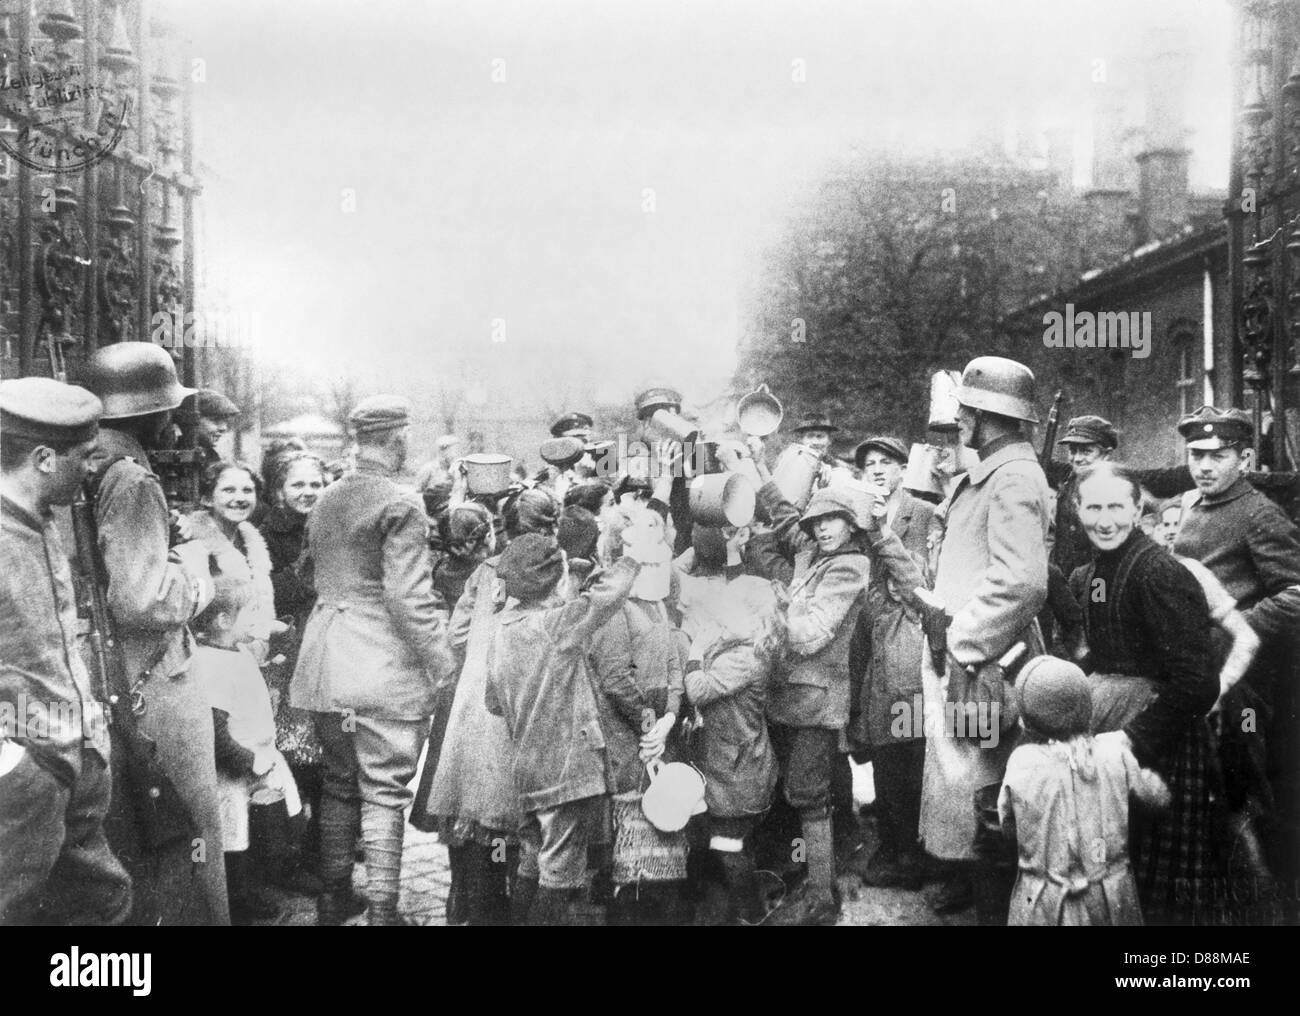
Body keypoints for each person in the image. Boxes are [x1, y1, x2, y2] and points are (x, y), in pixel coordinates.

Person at [289, 395, 455, 925]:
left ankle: (334, 898)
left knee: (340, 780)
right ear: (398, 439)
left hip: (324, 666)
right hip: (380, 665)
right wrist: (444, 664)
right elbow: (409, 600)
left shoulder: (326, 498)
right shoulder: (402, 503)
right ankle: (383, 912)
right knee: (384, 789)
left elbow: (307, 576)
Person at [81, 342, 228, 926]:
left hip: (105, 670)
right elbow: (139, 597)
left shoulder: (84, 462)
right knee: (185, 820)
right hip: (153, 674)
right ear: (152, 413)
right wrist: (197, 578)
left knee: (126, 832)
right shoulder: (131, 477)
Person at [918, 355, 1050, 927]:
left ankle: (998, 914)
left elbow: (1022, 581)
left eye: (967, 411)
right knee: (970, 789)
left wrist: (963, 643)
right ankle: (983, 901)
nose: (961, 422)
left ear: (985, 414)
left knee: (988, 794)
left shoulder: (1014, 476)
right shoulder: (993, 471)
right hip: (971, 655)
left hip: (987, 661)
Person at [0, 377, 132, 926]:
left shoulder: (44, 520)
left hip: (69, 764)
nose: (93, 469)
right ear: (44, 458)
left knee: (103, 904)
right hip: (24, 775)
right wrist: (13, 763)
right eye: (85, 457)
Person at [1068, 463, 1221, 924]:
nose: (1105, 519)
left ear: (1138, 510)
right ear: (1077, 511)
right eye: (1093, 507)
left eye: (1117, 506)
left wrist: (1132, 737)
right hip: (1113, 733)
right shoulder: (1094, 573)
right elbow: (1104, 651)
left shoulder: (1160, 574)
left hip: (1161, 746)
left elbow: (1197, 682)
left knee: (1158, 892)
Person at [484, 530, 653, 925]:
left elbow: (493, 703)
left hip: (527, 768)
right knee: (561, 873)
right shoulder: (555, 625)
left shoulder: (503, 632)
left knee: (531, 861)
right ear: (551, 580)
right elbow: (610, 597)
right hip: (566, 770)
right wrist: (632, 556)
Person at [1170, 406, 1300, 895]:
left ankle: (1266, 896)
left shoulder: (1260, 513)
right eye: (1195, 455)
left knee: (1243, 786)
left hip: (1244, 686)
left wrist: (1232, 629)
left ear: (1244, 459)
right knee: (1205, 787)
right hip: (1199, 674)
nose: (1203, 465)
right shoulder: (1195, 508)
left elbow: (1294, 595)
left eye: (1217, 456)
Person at [416, 487, 559, 926]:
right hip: (527, 705)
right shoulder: (555, 570)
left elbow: (457, 636)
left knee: (478, 820)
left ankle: (473, 910)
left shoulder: (484, 572)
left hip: (477, 706)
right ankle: (515, 911)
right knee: (519, 823)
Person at [997, 656, 1170, 926]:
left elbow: (1008, 825)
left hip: (1045, 900)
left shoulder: (1024, 762)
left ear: (1029, 718)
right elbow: (1155, 799)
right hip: (1111, 895)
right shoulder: (1115, 754)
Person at [192, 566, 303, 924]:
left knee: (278, 815)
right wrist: (245, 761)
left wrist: (278, 630)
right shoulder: (212, 664)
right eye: (250, 612)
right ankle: (237, 901)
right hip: (237, 765)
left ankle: (267, 877)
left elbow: (280, 647)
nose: (258, 619)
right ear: (223, 620)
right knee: (233, 836)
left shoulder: (238, 650)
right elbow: (215, 729)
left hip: (260, 755)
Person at [682, 576, 781, 924]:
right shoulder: (744, 645)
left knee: (729, 848)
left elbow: (699, 690)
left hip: (737, 775)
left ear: (752, 618)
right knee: (736, 846)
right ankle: (747, 908)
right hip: (739, 767)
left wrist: (695, 653)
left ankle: (752, 915)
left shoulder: (744, 657)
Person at [177, 388, 241, 471]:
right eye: (216, 420)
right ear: (190, 419)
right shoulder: (176, 455)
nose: (224, 428)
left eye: (225, 421)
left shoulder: (210, 456)